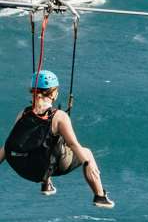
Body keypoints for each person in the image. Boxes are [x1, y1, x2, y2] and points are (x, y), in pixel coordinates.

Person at [1, 71, 113, 207]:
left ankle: (46, 185)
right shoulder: (59, 116)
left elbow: (9, 144)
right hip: (41, 169)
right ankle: (100, 196)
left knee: (42, 139)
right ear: (53, 93)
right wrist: (87, 163)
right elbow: (73, 144)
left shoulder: (23, 113)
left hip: (21, 167)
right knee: (86, 152)